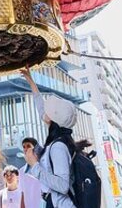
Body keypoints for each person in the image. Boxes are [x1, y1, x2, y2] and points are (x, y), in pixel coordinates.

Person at [21, 68, 77, 208]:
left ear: (53, 120)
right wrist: (30, 81)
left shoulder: (58, 147)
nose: (44, 110)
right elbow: (41, 109)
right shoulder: (58, 140)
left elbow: (63, 185)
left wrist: (34, 164)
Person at [19, 138, 45, 208]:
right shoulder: (21, 171)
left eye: (28, 146)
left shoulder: (43, 166)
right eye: (24, 147)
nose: (26, 149)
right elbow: (22, 193)